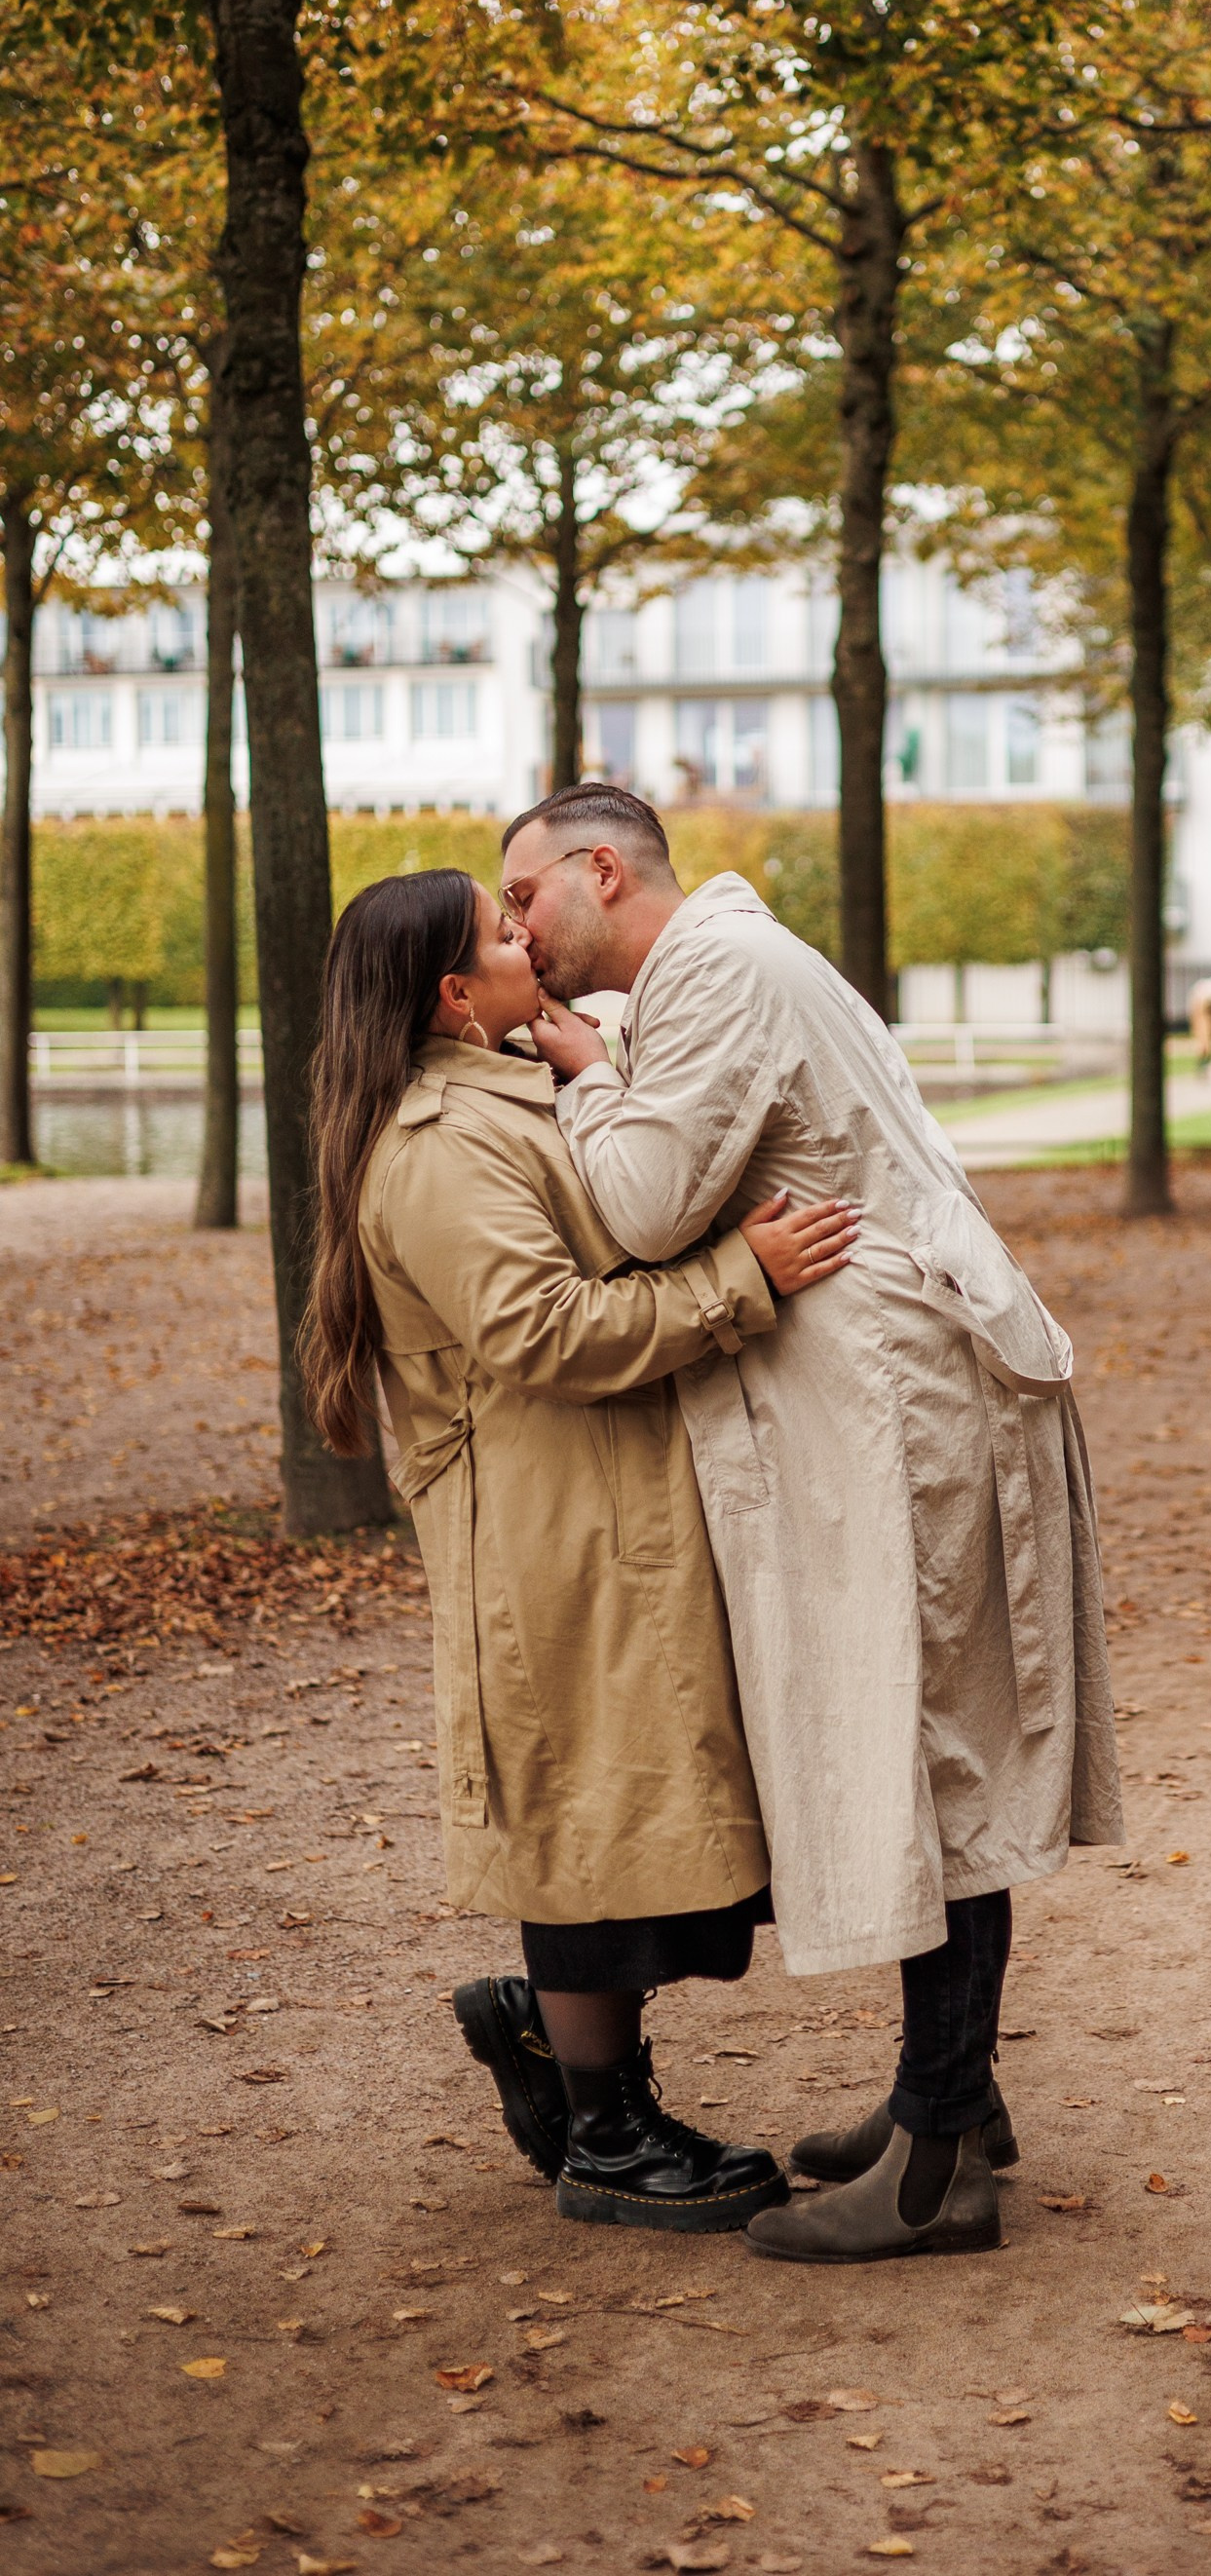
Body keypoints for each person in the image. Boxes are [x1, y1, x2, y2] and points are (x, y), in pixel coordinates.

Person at [507, 783, 1124, 2267]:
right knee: (927, 1746)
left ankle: (935, 2165)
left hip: (901, 1414)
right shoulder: (725, 965)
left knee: (932, 1756)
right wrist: (618, 1056)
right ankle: (949, 2108)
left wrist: (586, 1082)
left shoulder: (715, 969)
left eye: (525, 895)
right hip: (897, 1401)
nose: (516, 930)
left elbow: (650, 1205)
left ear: (605, 870)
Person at [300, 867, 858, 2233]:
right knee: (586, 1814)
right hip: (545, 1526)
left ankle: (553, 2040)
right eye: (502, 937)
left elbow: (604, 1223)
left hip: (602, 1504)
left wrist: (599, 1071)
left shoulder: (498, 1097)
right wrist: (744, 1282)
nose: (527, 942)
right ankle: (605, 2133)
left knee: (632, 1807)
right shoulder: (436, 1143)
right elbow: (541, 1329)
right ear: (449, 992)